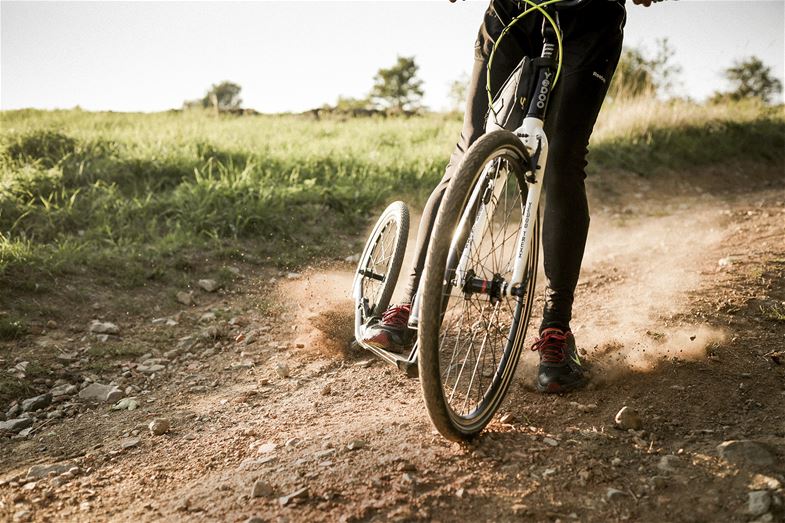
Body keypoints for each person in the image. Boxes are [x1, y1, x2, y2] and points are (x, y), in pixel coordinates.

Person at [362, 0, 654, 393]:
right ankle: (413, 306)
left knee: (561, 161)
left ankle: (554, 330)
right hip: (515, 13)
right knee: (473, 152)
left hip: (589, 20)